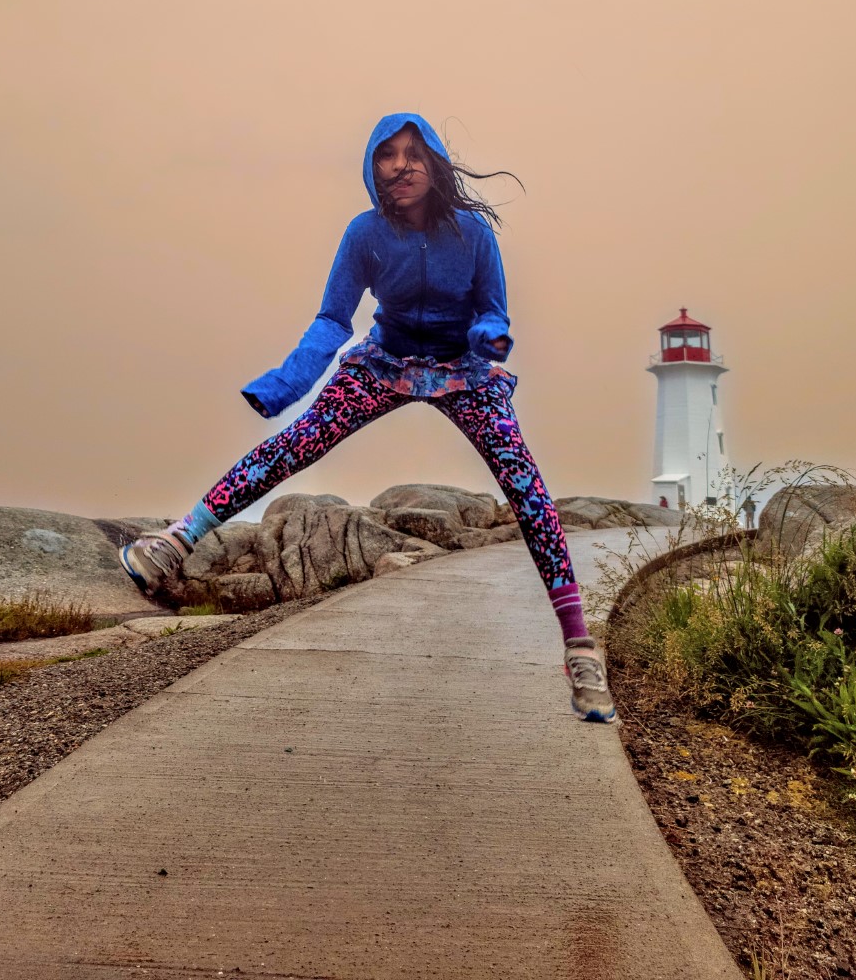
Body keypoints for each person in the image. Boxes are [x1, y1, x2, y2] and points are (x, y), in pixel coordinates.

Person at [120, 113, 615, 723]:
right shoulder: (365, 235)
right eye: (388, 155)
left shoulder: (473, 234)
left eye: (414, 153)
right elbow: (334, 319)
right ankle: (176, 539)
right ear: (372, 168)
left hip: (464, 371)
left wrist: (491, 337)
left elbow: (492, 308)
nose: (402, 165)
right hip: (385, 362)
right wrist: (287, 383)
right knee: (296, 443)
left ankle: (578, 646)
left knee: (527, 488)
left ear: (434, 163)